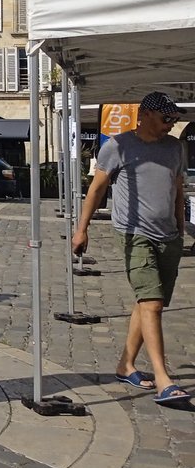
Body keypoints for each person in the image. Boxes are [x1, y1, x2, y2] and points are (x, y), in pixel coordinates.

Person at [73, 91, 189, 404]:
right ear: (146, 115)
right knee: (151, 302)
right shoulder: (119, 146)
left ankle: (125, 365)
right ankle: (163, 379)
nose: (171, 124)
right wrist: (81, 230)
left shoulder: (175, 148)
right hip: (134, 234)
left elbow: (177, 188)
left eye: (174, 119)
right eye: (166, 118)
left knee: (150, 303)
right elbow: (96, 189)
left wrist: (180, 228)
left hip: (169, 237)